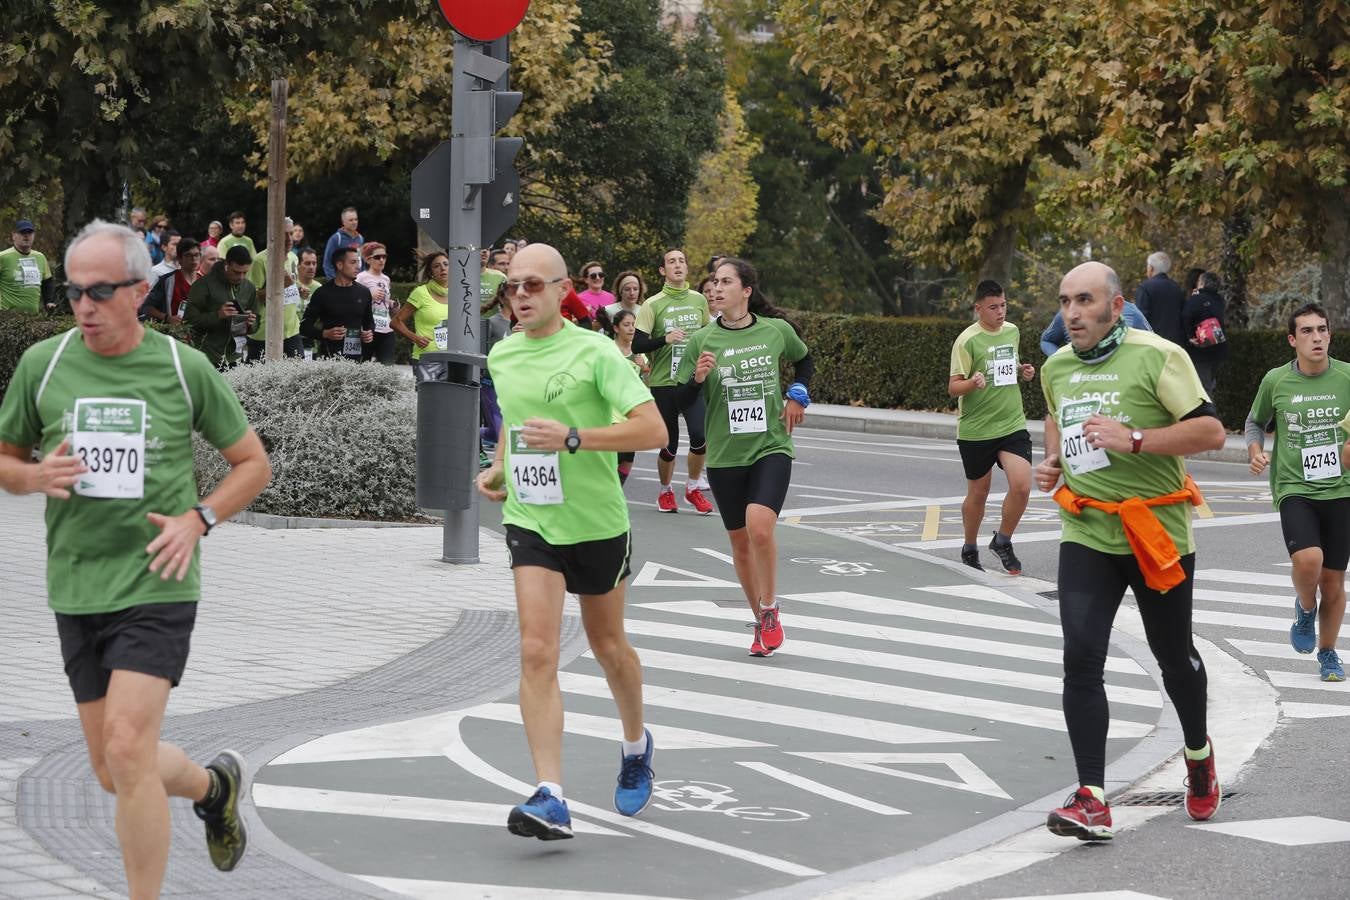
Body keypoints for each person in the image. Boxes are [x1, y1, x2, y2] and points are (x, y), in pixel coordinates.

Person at [0, 219, 272, 898]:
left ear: (139, 289)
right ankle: (212, 788)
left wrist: (198, 518)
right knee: (113, 766)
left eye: (98, 291)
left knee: (126, 749)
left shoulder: (184, 369)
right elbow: (7, 457)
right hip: (76, 584)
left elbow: (252, 464)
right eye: (73, 292)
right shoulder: (46, 366)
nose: (83, 306)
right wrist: (28, 478)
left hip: (159, 580)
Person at [475, 243, 666, 840]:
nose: (521, 295)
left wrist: (575, 438)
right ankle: (550, 794)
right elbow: (513, 417)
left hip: (598, 524)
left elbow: (653, 428)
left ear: (563, 291)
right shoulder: (503, 355)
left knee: (610, 648)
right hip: (534, 521)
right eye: (512, 286)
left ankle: (636, 745)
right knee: (536, 650)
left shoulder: (595, 351)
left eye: (534, 284)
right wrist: (501, 466)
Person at [1036, 260, 1225, 840]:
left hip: (1157, 534)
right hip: (1089, 530)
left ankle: (1198, 754)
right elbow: (1055, 421)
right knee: (1081, 654)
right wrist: (1054, 467)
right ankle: (1091, 797)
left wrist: (1135, 439)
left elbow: (1212, 432)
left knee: (1174, 659)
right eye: (1066, 301)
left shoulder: (1158, 356)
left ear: (1116, 306)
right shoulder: (1058, 367)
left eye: (1085, 300)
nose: (1072, 313)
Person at [676, 258, 812, 657]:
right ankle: (759, 620)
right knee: (739, 544)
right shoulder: (703, 340)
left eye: (725, 282)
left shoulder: (776, 331)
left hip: (771, 444)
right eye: (713, 283)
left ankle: (770, 609)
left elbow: (804, 360)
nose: (716, 289)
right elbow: (680, 398)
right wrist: (698, 379)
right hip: (725, 454)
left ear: (746, 291)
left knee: (760, 527)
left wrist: (797, 393)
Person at [1247, 302, 1350, 682]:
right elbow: (1255, 421)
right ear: (1293, 340)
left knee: (1334, 580)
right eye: (1306, 331)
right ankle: (1305, 609)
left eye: (1322, 329)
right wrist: (1255, 451)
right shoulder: (1276, 381)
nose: (1316, 337)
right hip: (1295, 487)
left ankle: (1328, 653)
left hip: (1341, 489)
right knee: (1309, 560)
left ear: (1330, 335)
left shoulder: (1347, 378)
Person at [949, 281, 1037, 573]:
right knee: (979, 493)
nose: (1000, 312)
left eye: (1003, 306)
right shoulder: (967, 341)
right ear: (978, 309)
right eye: (993, 307)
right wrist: (971, 383)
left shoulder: (1012, 331)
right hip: (977, 429)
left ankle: (1002, 540)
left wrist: (1023, 371)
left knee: (1022, 486)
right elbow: (953, 387)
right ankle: (970, 547)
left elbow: (1007, 368)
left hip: (1011, 423)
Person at [632, 248, 714, 514]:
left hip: (691, 380)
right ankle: (665, 491)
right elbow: (637, 343)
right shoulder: (652, 304)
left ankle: (692, 488)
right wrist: (664, 339)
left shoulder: (699, 300)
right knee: (670, 443)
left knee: (700, 437)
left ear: (687, 268)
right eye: (671, 262)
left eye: (681, 261)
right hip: (663, 381)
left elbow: (706, 336)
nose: (677, 265)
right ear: (662, 271)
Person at [184, 245, 258, 368]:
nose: (241, 277)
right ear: (226, 264)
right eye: (236, 272)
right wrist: (217, 315)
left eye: (245, 272)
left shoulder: (249, 287)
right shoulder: (203, 285)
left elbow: (256, 323)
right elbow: (188, 321)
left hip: (235, 358)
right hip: (206, 357)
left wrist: (251, 324)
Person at [244, 220, 304, 361]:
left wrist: (300, 289)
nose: (289, 239)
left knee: (297, 378)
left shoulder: (294, 257)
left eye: (291, 233)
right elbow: (252, 296)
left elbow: (291, 286)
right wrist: (280, 285)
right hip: (265, 333)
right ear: (273, 236)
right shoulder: (260, 260)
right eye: (284, 234)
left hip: (291, 330)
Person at [300, 245, 373, 361]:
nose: (358, 266)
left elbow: (369, 322)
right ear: (339, 265)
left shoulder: (364, 292)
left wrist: (369, 333)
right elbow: (304, 327)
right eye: (353, 262)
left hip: (359, 359)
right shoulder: (322, 293)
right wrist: (325, 333)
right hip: (330, 358)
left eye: (358, 262)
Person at [392, 251, 450, 382]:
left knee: (448, 401)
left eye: (446, 264)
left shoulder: (459, 293)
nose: (443, 268)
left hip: (452, 358)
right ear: (430, 272)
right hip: (427, 358)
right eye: (437, 266)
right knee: (427, 401)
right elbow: (396, 322)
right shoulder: (420, 293)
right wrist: (415, 338)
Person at [610, 307, 650, 485]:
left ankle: (616, 490)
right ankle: (609, 492)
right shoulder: (607, 350)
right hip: (610, 412)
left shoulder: (641, 354)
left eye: (634, 325)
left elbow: (648, 384)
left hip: (631, 413)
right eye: (626, 324)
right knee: (614, 456)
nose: (631, 328)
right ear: (616, 328)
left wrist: (645, 369)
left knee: (628, 458)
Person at [1040, 300, 1150, 357]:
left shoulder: (1131, 311)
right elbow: (1047, 341)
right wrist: (1058, 359)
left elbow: (1152, 343)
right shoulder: (1068, 313)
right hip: (1079, 382)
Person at [1181, 270, 1228, 397]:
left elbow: (1186, 317)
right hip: (1218, 348)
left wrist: (1190, 337)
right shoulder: (1220, 301)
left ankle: (1208, 414)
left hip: (1201, 350)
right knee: (1210, 383)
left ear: (1201, 283)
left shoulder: (1195, 300)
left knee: (1203, 387)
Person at [143, 238, 201, 324]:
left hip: (199, 335)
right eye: (188, 255)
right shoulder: (167, 281)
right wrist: (167, 318)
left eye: (196, 255)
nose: (193, 259)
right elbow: (147, 307)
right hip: (173, 334)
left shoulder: (204, 282)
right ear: (179, 259)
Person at [1133, 250, 1186, 346]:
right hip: (1175, 343)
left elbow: (1141, 318)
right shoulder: (1176, 288)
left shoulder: (1145, 288)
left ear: (1150, 268)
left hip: (1153, 342)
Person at [0, 219, 54, 313]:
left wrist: (49, 301)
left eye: (29, 232)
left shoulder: (40, 257)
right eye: (22, 232)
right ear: (14, 235)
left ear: (34, 235)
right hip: (6, 318)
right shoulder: (3, 257)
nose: (26, 236)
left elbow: (47, 282)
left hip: (32, 318)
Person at [356, 242, 397, 364]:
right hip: (368, 330)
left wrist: (392, 304)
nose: (382, 260)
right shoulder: (361, 277)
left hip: (386, 328)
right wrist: (370, 296)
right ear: (368, 260)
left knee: (388, 368)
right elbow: (352, 300)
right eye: (378, 257)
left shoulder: (386, 279)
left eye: (384, 256)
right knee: (363, 367)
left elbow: (384, 301)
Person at [322, 207, 364, 279]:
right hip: (340, 282)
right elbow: (327, 263)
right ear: (343, 222)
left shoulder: (360, 238)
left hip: (357, 282)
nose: (354, 222)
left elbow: (362, 261)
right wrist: (335, 281)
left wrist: (361, 278)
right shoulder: (336, 239)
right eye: (351, 220)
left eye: (356, 219)